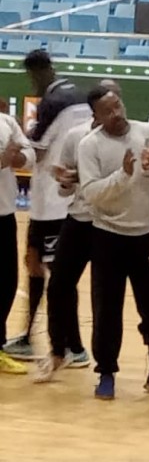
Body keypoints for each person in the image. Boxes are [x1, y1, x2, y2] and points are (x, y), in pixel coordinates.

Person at [78, 86, 149, 400]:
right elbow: (92, 192)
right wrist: (123, 175)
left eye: (118, 105)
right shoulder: (89, 146)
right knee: (107, 309)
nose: (117, 113)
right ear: (95, 116)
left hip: (145, 235)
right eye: (108, 110)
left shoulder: (147, 132)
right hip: (107, 236)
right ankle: (106, 372)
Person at [4, 50, 91, 361]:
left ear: (39, 72)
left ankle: (75, 347)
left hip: (54, 201)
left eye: (31, 76)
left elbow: (35, 152)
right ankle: (29, 337)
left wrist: (14, 133)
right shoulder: (79, 95)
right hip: (57, 201)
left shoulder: (53, 102)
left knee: (57, 275)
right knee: (35, 266)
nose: (33, 83)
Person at [35, 80, 122, 382]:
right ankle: (59, 351)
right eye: (110, 101)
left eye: (119, 100)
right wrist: (65, 181)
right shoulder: (76, 137)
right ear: (95, 108)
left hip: (112, 225)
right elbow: (64, 189)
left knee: (106, 297)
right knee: (58, 285)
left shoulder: (133, 135)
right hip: (79, 220)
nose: (117, 107)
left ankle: (106, 367)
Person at [0, 111, 34, 374]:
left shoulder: (6, 122)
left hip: (4, 214)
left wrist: (17, 157)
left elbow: (30, 157)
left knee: (6, 282)